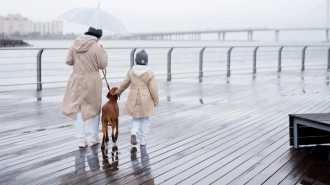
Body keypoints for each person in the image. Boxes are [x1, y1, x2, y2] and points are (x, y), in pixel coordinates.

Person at [62, 27, 108, 148]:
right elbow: (103, 64)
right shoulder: (96, 47)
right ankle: (94, 136)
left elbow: (68, 61)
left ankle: (81, 140)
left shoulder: (75, 44)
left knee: (78, 109)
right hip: (92, 80)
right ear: (97, 37)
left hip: (77, 79)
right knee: (95, 108)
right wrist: (103, 52)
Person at [115, 50, 159, 146]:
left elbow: (124, 84)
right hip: (146, 98)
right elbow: (153, 89)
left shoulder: (131, 71)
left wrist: (118, 92)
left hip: (134, 97)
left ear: (136, 61)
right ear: (146, 61)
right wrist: (156, 101)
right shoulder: (150, 73)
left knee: (136, 118)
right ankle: (143, 140)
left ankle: (134, 132)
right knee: (146, 119)